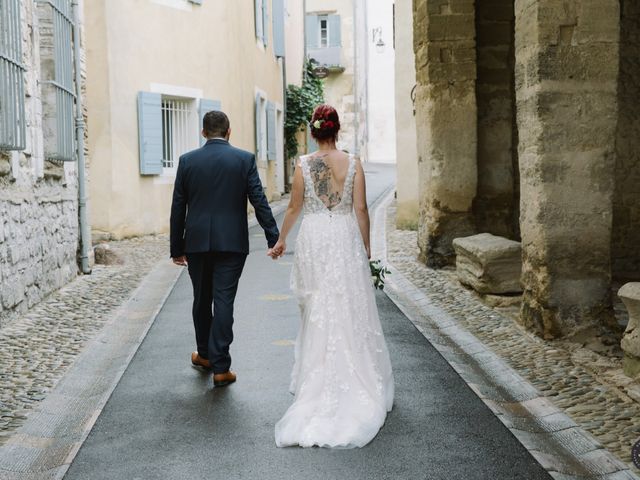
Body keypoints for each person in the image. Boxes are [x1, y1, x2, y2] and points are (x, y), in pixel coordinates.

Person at [269, 105, 394, 448]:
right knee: (349, 303)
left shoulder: (303, 165)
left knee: (318, 303)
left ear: (314, 132)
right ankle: (357, 373)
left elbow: (294, 207)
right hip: (343, 236)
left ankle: (318, 373)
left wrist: (281, 240)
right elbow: (362, 209)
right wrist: (366, 247)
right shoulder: (353, 162)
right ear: (336, 131)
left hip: (314, 238)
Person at [170, 110, 279, 387]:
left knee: (201, 299)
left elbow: (178, 208)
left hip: (195, 244)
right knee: (224, 301)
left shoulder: (187, 161)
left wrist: (176, 247)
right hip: (231, 243)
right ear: (229, 132)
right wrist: (272, 236)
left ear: (203, 133)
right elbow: (259, 199)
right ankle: (221, 367)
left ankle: (205, 355)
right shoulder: (243, 160)